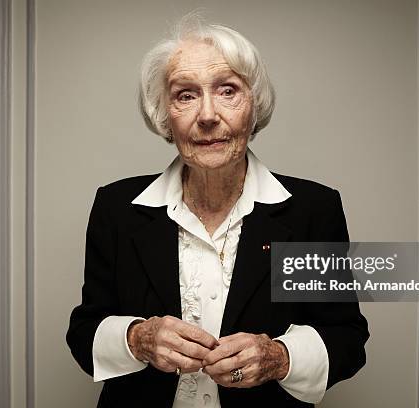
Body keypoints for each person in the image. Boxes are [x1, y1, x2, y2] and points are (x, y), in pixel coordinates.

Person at [66, 15, 369, 408]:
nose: (207, 116)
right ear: (164, 115)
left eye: (227, 90)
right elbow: (84, 331)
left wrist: (281, 358)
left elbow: (346, 338)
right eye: (186, 95)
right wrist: (135, 338)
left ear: (254, 105)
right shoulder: (118, 209)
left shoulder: (311, 212)